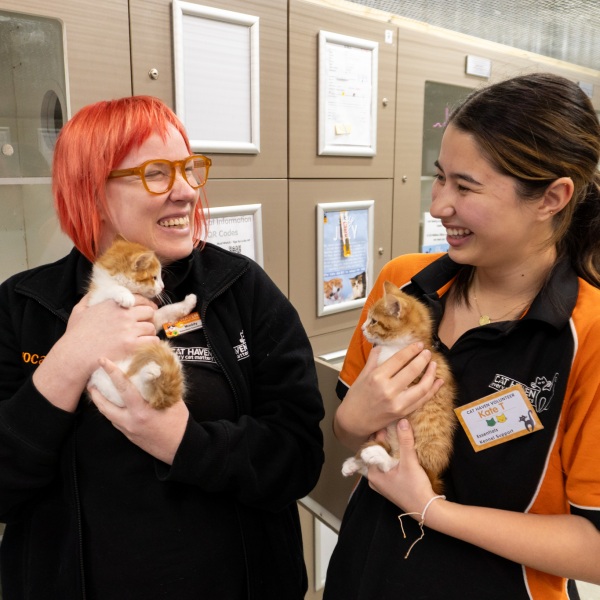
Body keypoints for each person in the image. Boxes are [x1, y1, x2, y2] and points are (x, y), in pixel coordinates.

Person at [0, 96, 325, 599]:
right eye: (156, 173)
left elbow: (299, 457)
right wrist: (66, 362)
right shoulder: (22, 306)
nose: (186, 191)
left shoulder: (238, 288)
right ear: (91, 189)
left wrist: (184, 442)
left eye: (189, 169)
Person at [324, 72, 600, 600]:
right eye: (439, 177)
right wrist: (351, 420)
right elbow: (353, 431)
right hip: (365, 575)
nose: (437, 206)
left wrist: (432, 510)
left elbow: (595, 546)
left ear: (552, 198)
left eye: (465, 187)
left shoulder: (588, 335)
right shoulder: (402, 287)